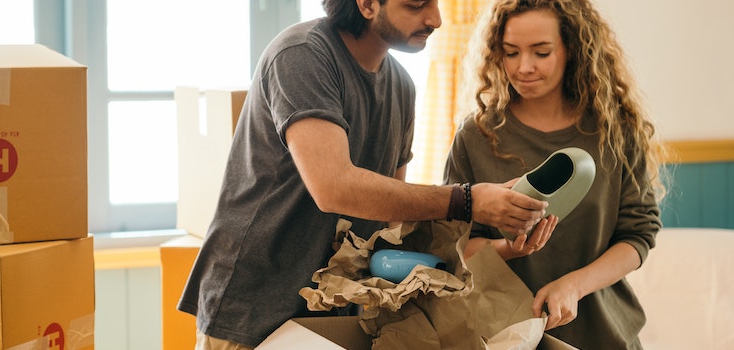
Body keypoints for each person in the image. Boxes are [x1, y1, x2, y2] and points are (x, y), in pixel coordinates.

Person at [178, 0, 557, 348]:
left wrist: (493, 245)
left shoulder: (401, 88)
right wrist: (468, 201)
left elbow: (390, 218)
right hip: (254, 308)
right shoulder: (303, 55)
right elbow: (333, 187)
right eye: (415, 5)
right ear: (366, 3)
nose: (435, 20)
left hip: (339, 312)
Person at [444, 0, 667, 348]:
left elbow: (638, 234)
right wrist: (508, 249)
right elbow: (453, 247)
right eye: (511, 52)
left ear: (571, 50)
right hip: (503, 336)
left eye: (541, 52)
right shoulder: (475, 138)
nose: (524, 67)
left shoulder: (614, 130)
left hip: (603, 336)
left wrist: (574, 285)